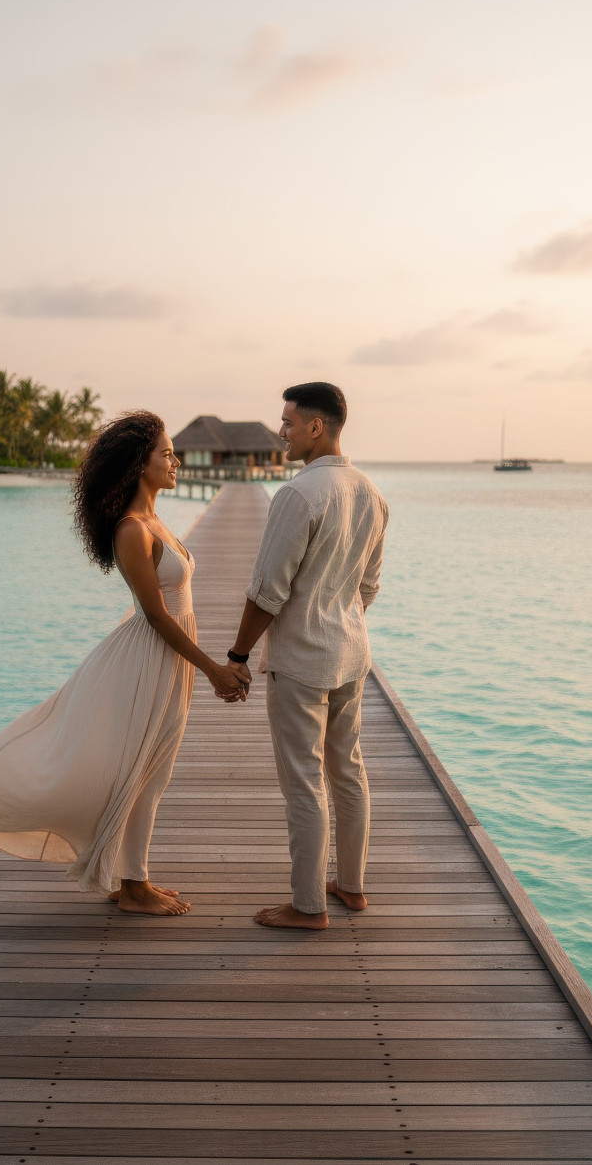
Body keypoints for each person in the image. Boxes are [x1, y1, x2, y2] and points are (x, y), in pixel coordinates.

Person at [0, 411, 246, 916]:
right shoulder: (131, 529)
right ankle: (134, 885)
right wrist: (212, 668)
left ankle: (131, 880)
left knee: (152, 772)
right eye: (165, 453)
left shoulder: (154, 520)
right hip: (149, 658)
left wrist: (201, 666)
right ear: (138, 464)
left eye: (173, 452)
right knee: (139, 770)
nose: (176, 460)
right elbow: (153, 615)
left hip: (170, 659)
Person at [223, 383, 389, 929]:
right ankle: (353, 885)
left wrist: (239, 653)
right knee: (348, 770)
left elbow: (267, 591)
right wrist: (340, 616)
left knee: (304, 779)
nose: (282, 432)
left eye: (289, 423)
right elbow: (368, 587)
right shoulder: (371, 493)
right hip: (350, 652)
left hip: (301, 659)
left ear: (316, 427)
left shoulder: (298, 495)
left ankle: (308, 905)